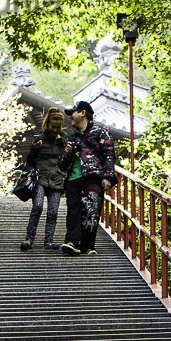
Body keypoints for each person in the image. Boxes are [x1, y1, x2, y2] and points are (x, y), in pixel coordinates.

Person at [59, 101, 115, 255]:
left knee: (91, 209)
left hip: (93, 176)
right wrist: (68, 154)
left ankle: (88, 245)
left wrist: (108, 177)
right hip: (73, 177)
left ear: (82, 113)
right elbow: (61, 164)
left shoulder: (101, 132)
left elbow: (109, 154)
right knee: (73, 211)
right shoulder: (71, 137)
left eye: (73, 112)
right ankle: (71, 242)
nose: (70, 116)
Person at [20, 107, 67, 251]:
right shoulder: (39, 139)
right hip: (40, 178)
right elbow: (30, 161)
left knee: (53, 211)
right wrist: (34, 149)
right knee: (37, 206)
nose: (56, 129)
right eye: (53, 126)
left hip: (57, 179)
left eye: (58, 127)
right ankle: (29, 239)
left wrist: (68, 151)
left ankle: (49, 241)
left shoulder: (64, 140)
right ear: (48, 124)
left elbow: (68, 161)